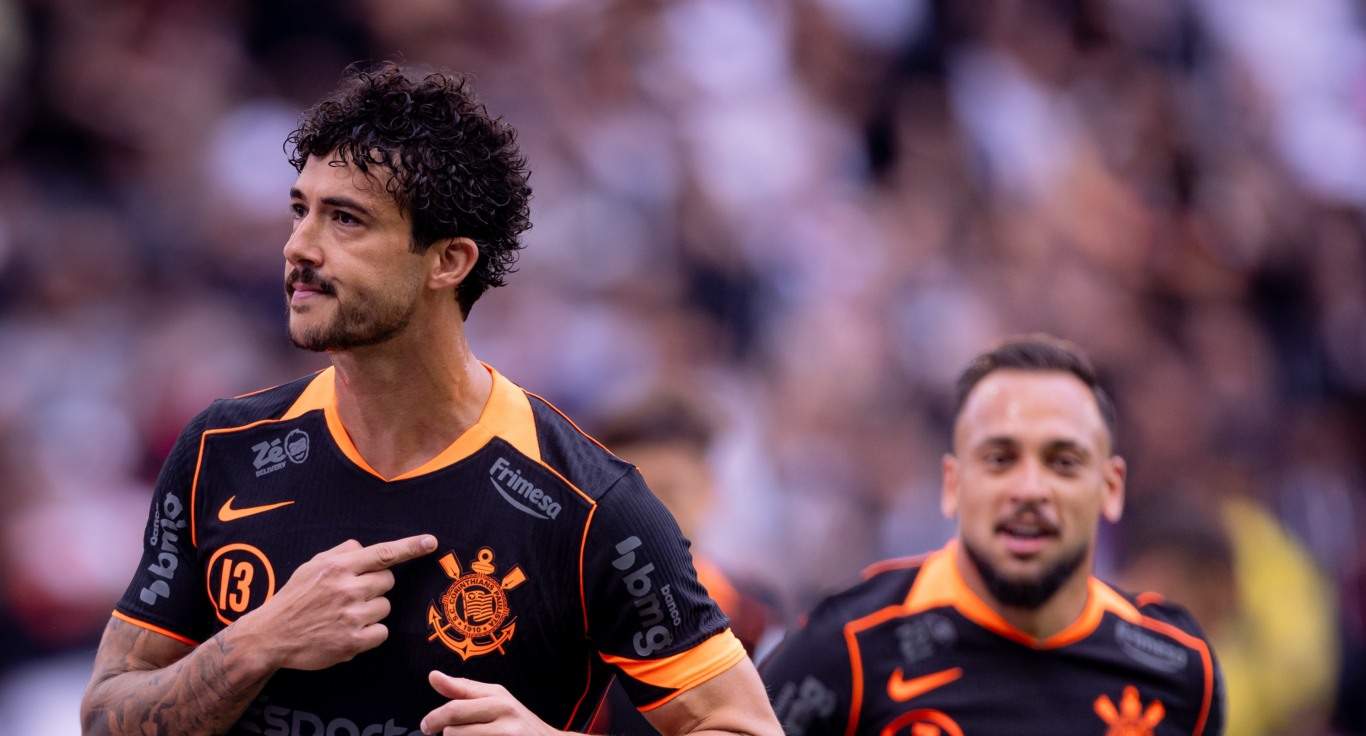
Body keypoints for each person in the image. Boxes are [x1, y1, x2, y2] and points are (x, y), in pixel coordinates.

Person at [79, 62, 781, 736]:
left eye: (345, 220)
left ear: (449, 261)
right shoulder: (221, 453)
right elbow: (107, 718)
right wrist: (258, 641)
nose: (299, 246)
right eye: (301, 211)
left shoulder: (594, 505)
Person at [759, 334, 1225, 736]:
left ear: (1111, 487)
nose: (1029, 490)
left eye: (1063, 462)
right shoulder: (848, 648)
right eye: (1000, 459)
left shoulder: (1181, 673)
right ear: (952, 484)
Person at [587, 389, 785, 735]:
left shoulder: (759, 618)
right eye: (631, 496)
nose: (650, 516)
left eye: (669, 491)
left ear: (710, 490)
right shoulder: (576, 625)